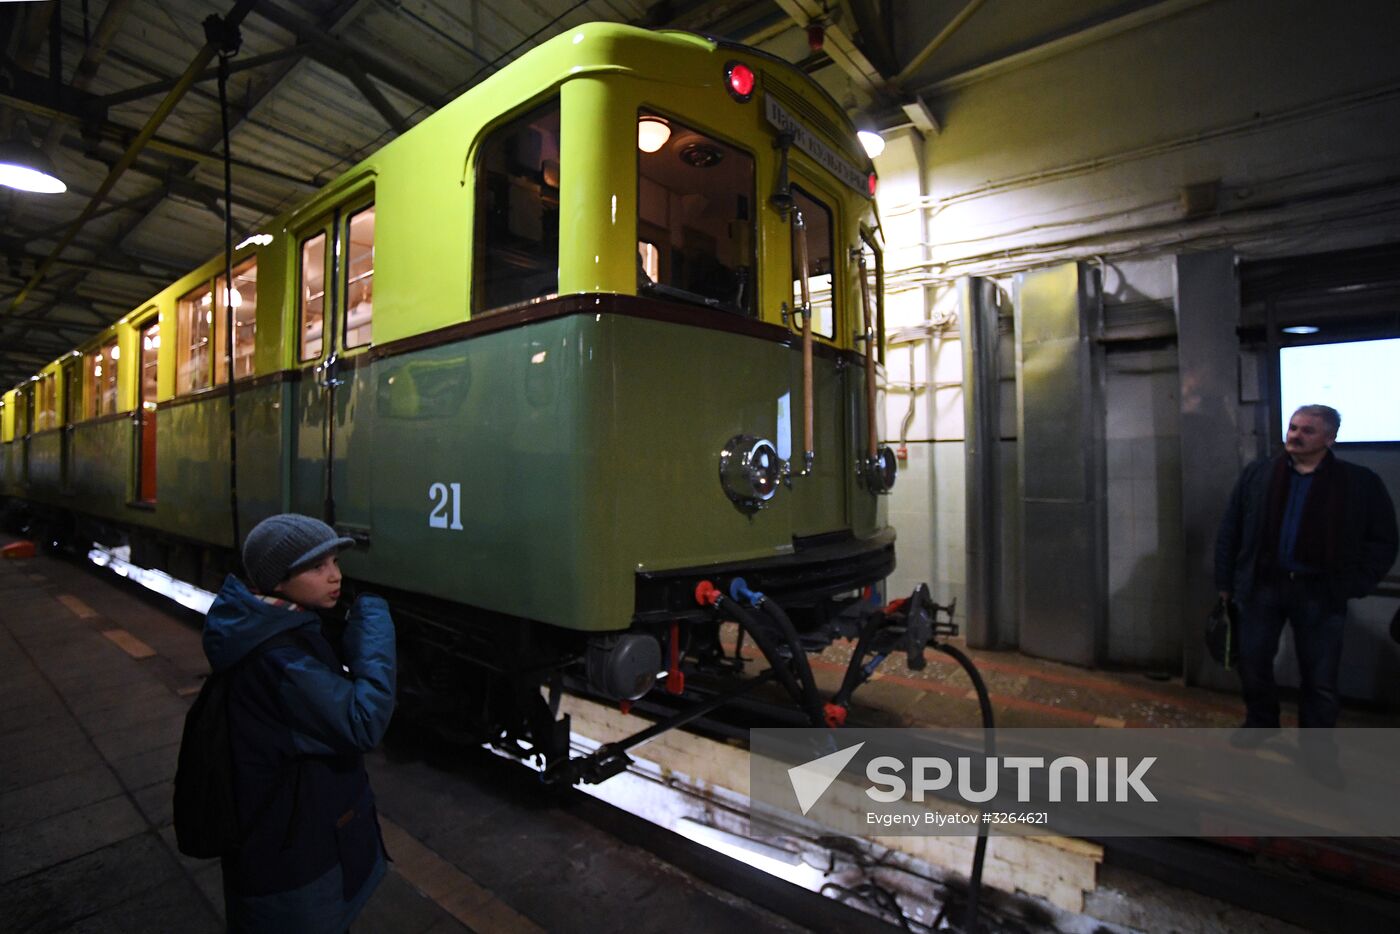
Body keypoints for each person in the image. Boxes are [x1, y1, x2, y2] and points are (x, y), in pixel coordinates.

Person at [202, 514, 396, 933]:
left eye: (334, 562)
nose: (335, 577)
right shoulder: (279, 659)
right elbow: (363, 722)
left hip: (288, 842)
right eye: (317, 567)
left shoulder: (265, 628)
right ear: (277, 579)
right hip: (295, 859)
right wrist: (375, 628)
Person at [1214, 405, 1397, 736]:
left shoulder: (1358, 483)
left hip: (1320, 592)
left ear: (1330, 438)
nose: (1296, 435)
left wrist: (1355, 583)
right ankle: (1261, 724)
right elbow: (1231, 529)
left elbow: (1383, 540)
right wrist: (1226, 581)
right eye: (1293, 427)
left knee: (1320, 677)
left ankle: (1316, 751)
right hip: (1262, 587)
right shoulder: (1260, 474)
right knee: (1252, 663)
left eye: (1307, 431)